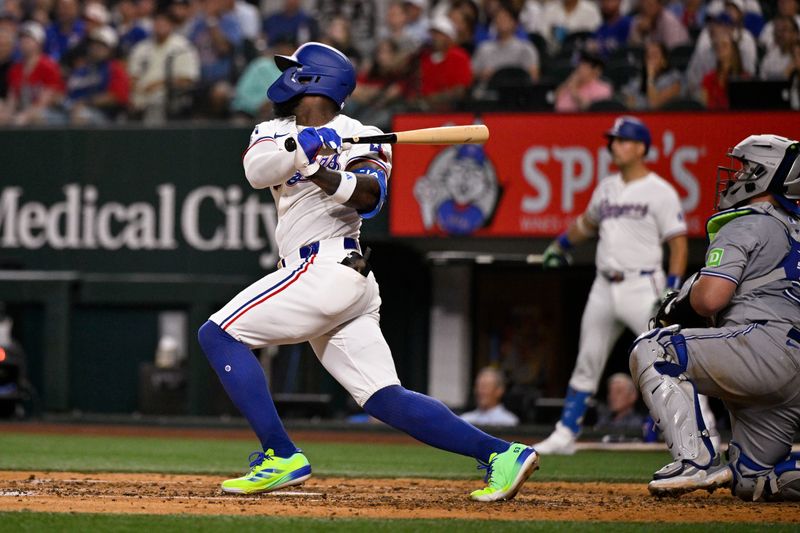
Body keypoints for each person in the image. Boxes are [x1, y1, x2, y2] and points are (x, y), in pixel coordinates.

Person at [196, 41, 538, 501]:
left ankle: (280, 454)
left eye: (295, 69)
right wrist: (303, 146)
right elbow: (258, 171)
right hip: (326, 277)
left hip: (329, 266)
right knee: (382, 397)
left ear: (314, 79)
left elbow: (369, 198)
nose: (286, 77)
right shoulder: (274, 129)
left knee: (216, 334)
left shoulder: (365, 133)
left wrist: (319, 168)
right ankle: (503, 453)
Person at [630, 134, 800, 500]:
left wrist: (681, 303)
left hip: (767, 350)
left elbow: (710, 300)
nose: (735, 178)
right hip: (792, 365)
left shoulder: (745, 222)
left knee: (655, 349)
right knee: (753, 479)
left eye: (743, 170)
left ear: (763, 174)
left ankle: (695, 460)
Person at [535, 116, 718, 455]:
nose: (614, 146)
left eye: (621, 140)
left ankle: (704, 427)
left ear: (640, 147)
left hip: (643, 285)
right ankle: (564, 433)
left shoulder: (660, 190)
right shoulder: (606, 187)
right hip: (604, 285)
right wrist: (560, 246)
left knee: (671, 356)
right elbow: (585, 224)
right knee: (587, 359)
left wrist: (673, 289)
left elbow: (678, 244)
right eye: (613, 140)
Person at [128, 9, 200, 124]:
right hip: (140, 95)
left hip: (168, 96)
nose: (160, 26)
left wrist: (158, 84)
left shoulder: (183, 47)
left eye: (164, 23)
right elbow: (133, 76)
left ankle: (154, 138)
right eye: (157, 22)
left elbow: (188, 79)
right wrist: (136, 91)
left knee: (156, 100)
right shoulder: (141, 48)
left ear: (172, 25)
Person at [471, 0, 540, 85]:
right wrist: (482, 74)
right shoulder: (483, 48)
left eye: (506, 18)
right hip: (489, 93)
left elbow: (534, 77)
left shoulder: (526, 49)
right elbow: (471, 75)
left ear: (515, 23)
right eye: (499, 18)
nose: (502, 21)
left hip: (518, 93)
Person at [415, 15, 472, 112]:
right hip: (425, 111)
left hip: (453, 111)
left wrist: (432, 99)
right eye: (433, 34)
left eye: (438, 34)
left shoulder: (459, 56)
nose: (434, 38)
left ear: (448, 36)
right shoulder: (425, 58)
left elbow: (460, 91)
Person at [621, 40, 683, 110]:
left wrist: (650, 77)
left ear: (664, 61)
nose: (650, 61)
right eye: (648, 56)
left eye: (654, 55)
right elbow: (627, 102)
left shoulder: (674, 78)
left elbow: (654, 104)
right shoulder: (638, 79)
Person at [700, 31, 747, 110]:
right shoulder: (708, 78)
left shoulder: (744, 78)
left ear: (734, 50)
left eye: (724, 45)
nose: (720, 48)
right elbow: (703, 108)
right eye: (717, 46)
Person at [593, 373, 643, 437]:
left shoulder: (637, 424)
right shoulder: (604, 420)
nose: (612, 397)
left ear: (632, 396)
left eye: (618, 392)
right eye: (610, 392)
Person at [759, 16, 800, 80]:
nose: (780, 34)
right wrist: (789, 69)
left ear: (796, 34)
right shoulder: (770, 56)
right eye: (778, 30)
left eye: (784, 30)